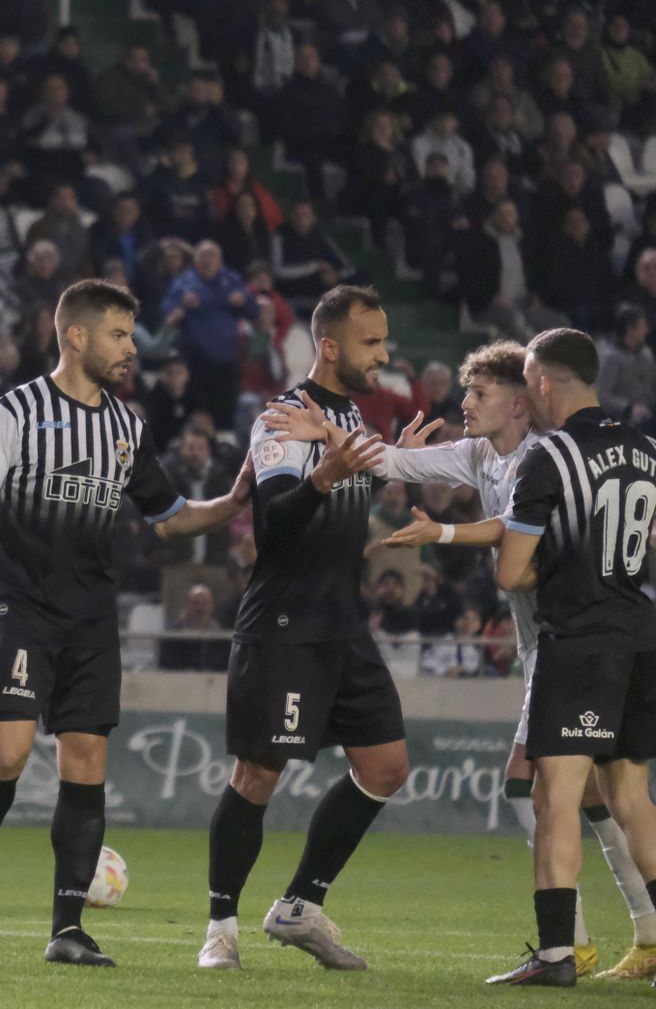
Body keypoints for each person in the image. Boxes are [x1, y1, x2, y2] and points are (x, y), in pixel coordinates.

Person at [264, 340, 656, 979]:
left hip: (569, 638)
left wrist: (444, 533)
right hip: (596, 636)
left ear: (523, 400)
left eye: (479, 393)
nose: (464, 403)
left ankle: (573, 945)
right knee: (607, 792)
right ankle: (643, 932)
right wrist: (330, 435)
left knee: (537, 788)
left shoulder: (548, 453)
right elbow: (394, 461)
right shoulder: (486, 454)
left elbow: (514, 541)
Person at [0, 279, 253, 967]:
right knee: (7, 754)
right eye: (118, 335)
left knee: (85, 765)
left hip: (90, 616)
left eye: (131, 336)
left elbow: (170, 517)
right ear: (76, 336)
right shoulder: (13, 412)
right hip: (20, 606)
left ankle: (67, 928)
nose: (130, 349)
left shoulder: (127, 426)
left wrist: (235, 499)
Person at [197, 284, 403, 973]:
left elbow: (345, 499)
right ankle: (220, 928)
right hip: (284, 624)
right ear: (329, 346)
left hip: (343, 624)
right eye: (371, 342)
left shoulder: (351, 419)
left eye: (384, 340)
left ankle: (299, 906)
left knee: (386, 767)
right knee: (257, 774)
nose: (383, 354)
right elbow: (274, 525)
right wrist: (326, 476)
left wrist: (387, 469)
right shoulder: (282, 418)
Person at [484, 329, 656, 986]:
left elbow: (510, 572)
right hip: (640, 636)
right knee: (633, 799)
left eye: (528, 381)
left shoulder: (549, 455)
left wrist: (558, 574)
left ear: (544, 382)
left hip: (579, 642)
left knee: (555, 798)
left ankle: (556, 955)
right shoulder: (646, 450)